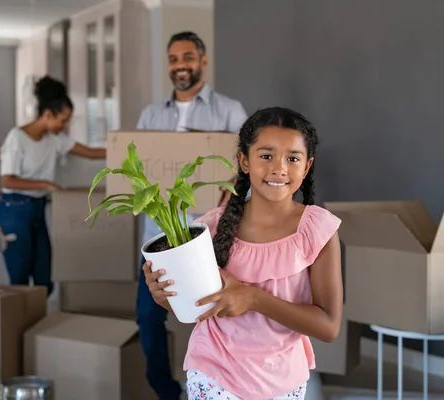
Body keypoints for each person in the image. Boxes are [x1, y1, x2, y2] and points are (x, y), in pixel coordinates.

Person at [143, 107, 343, 400]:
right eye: (266, 155)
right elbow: (196, 307)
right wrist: (163, 297)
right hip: (214, 371)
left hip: (284, 379)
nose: (279, 168)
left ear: (307, 165)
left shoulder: (319, 229)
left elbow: (328, 327)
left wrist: (253, 298)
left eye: (292, 158)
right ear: (243, 160)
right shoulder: (207, 229)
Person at [135, 31, 249, 400]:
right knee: (149, 319)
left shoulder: (230, 110)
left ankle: (217, 388)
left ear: (202, 61)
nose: (180, 65)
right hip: (159, 238)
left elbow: (246, 167)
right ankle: (168, 392)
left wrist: (231, 184)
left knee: (219, 319)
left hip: (212, 238)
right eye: (173, 58)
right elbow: (136, 170)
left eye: (187, 57)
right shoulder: (151, 115)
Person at [0, 75, 105, 297]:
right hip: (14, 210)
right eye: (63, 120)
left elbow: (91, 153)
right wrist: (45, 183)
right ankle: (18, 327)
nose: (65, 126)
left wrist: (128, 148)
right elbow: (7, 180)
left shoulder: (54, 139)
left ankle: (38, 327)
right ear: (48, 114)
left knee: (44, 278)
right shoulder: (17, 139)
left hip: (37, 209)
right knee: (19, 277)